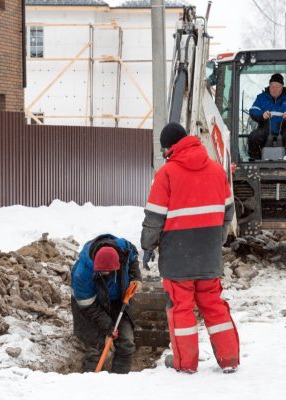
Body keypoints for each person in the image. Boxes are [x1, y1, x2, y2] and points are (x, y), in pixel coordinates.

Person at [141, 122, 240, 374]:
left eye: (164, 149)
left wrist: (148, 246)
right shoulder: (217, 171)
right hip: (208, 255)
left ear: (170, 147)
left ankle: (186, 364)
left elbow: (154, 219)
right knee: (214, 304)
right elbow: (228, 211)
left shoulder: (166, 174)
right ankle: (229, 360)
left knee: (181, 307)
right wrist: (215, 241)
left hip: (177, 257)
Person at [71, 234, 142, 373]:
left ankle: (119, 380)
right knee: (94, 346)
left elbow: (133, 258)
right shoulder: (82, 274)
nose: (106, 274)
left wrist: (135, 277)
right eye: (102, 272)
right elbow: (88, 305)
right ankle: (91, 380)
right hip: (90, 303)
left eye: (109, 272)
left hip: (118, 298)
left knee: (126, 343)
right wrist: (108, 325)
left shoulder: (124, 249)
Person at [248, 73, 286, 159]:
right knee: (254, 136)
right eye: (272, 86)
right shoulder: (261, 98)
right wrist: (262, 115)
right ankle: (255, 160)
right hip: (265, 129)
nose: (274, 89)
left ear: (282, 87)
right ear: (269, 86)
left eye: (277, 87)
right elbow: (253, 110)